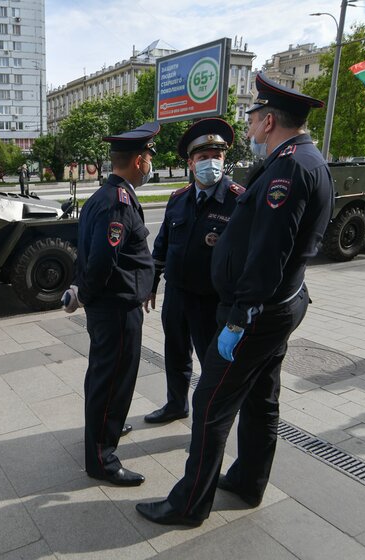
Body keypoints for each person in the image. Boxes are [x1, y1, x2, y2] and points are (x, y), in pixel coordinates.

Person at [136, 73, 334, 525]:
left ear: (269, 121)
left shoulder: (289, 168)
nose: (249, 127)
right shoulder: (306, 159)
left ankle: (189, 504)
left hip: (258, 313)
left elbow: (270, 251)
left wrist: (240, 317)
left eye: (252, 118)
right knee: (261, 398)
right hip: (278, 304)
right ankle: (248, 480)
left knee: (210, 405)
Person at [62, 122, 159, 486]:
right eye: (149, 157)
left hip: (113, 306)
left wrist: (79, 288)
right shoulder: (117, 202)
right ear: (138, 161)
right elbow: (102, 260)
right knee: (113, 379)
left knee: (105, 375)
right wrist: (83, 294)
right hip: (116, 309)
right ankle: (102, 459)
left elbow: (87, 250)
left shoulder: (103, 196)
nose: (150, 164)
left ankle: (107, 426)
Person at [144, 118, 244, 426]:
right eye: (203, 157)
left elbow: (246, 257)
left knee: (212, 363)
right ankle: (176, 405)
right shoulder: (178, 199)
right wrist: (152, 283)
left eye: (217, 156)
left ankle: (208, 424)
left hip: (211, 301)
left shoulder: (238, 200)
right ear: (190, 163)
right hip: (176, 294)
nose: (211, 162)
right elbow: (161, 245)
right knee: (175, 353)